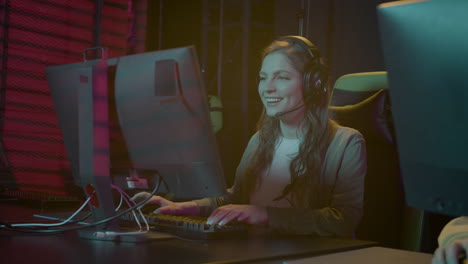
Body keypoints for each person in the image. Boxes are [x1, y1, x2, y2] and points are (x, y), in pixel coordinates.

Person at [132, 35, 367, 237]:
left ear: (312, 85)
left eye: (282, 77)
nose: (268, 88)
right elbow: (236, 198)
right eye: (264, 78)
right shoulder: (260, 140)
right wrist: (182, 207)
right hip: (254, 250)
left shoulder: (345, 143)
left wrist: (265, 215)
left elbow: (343, 221)